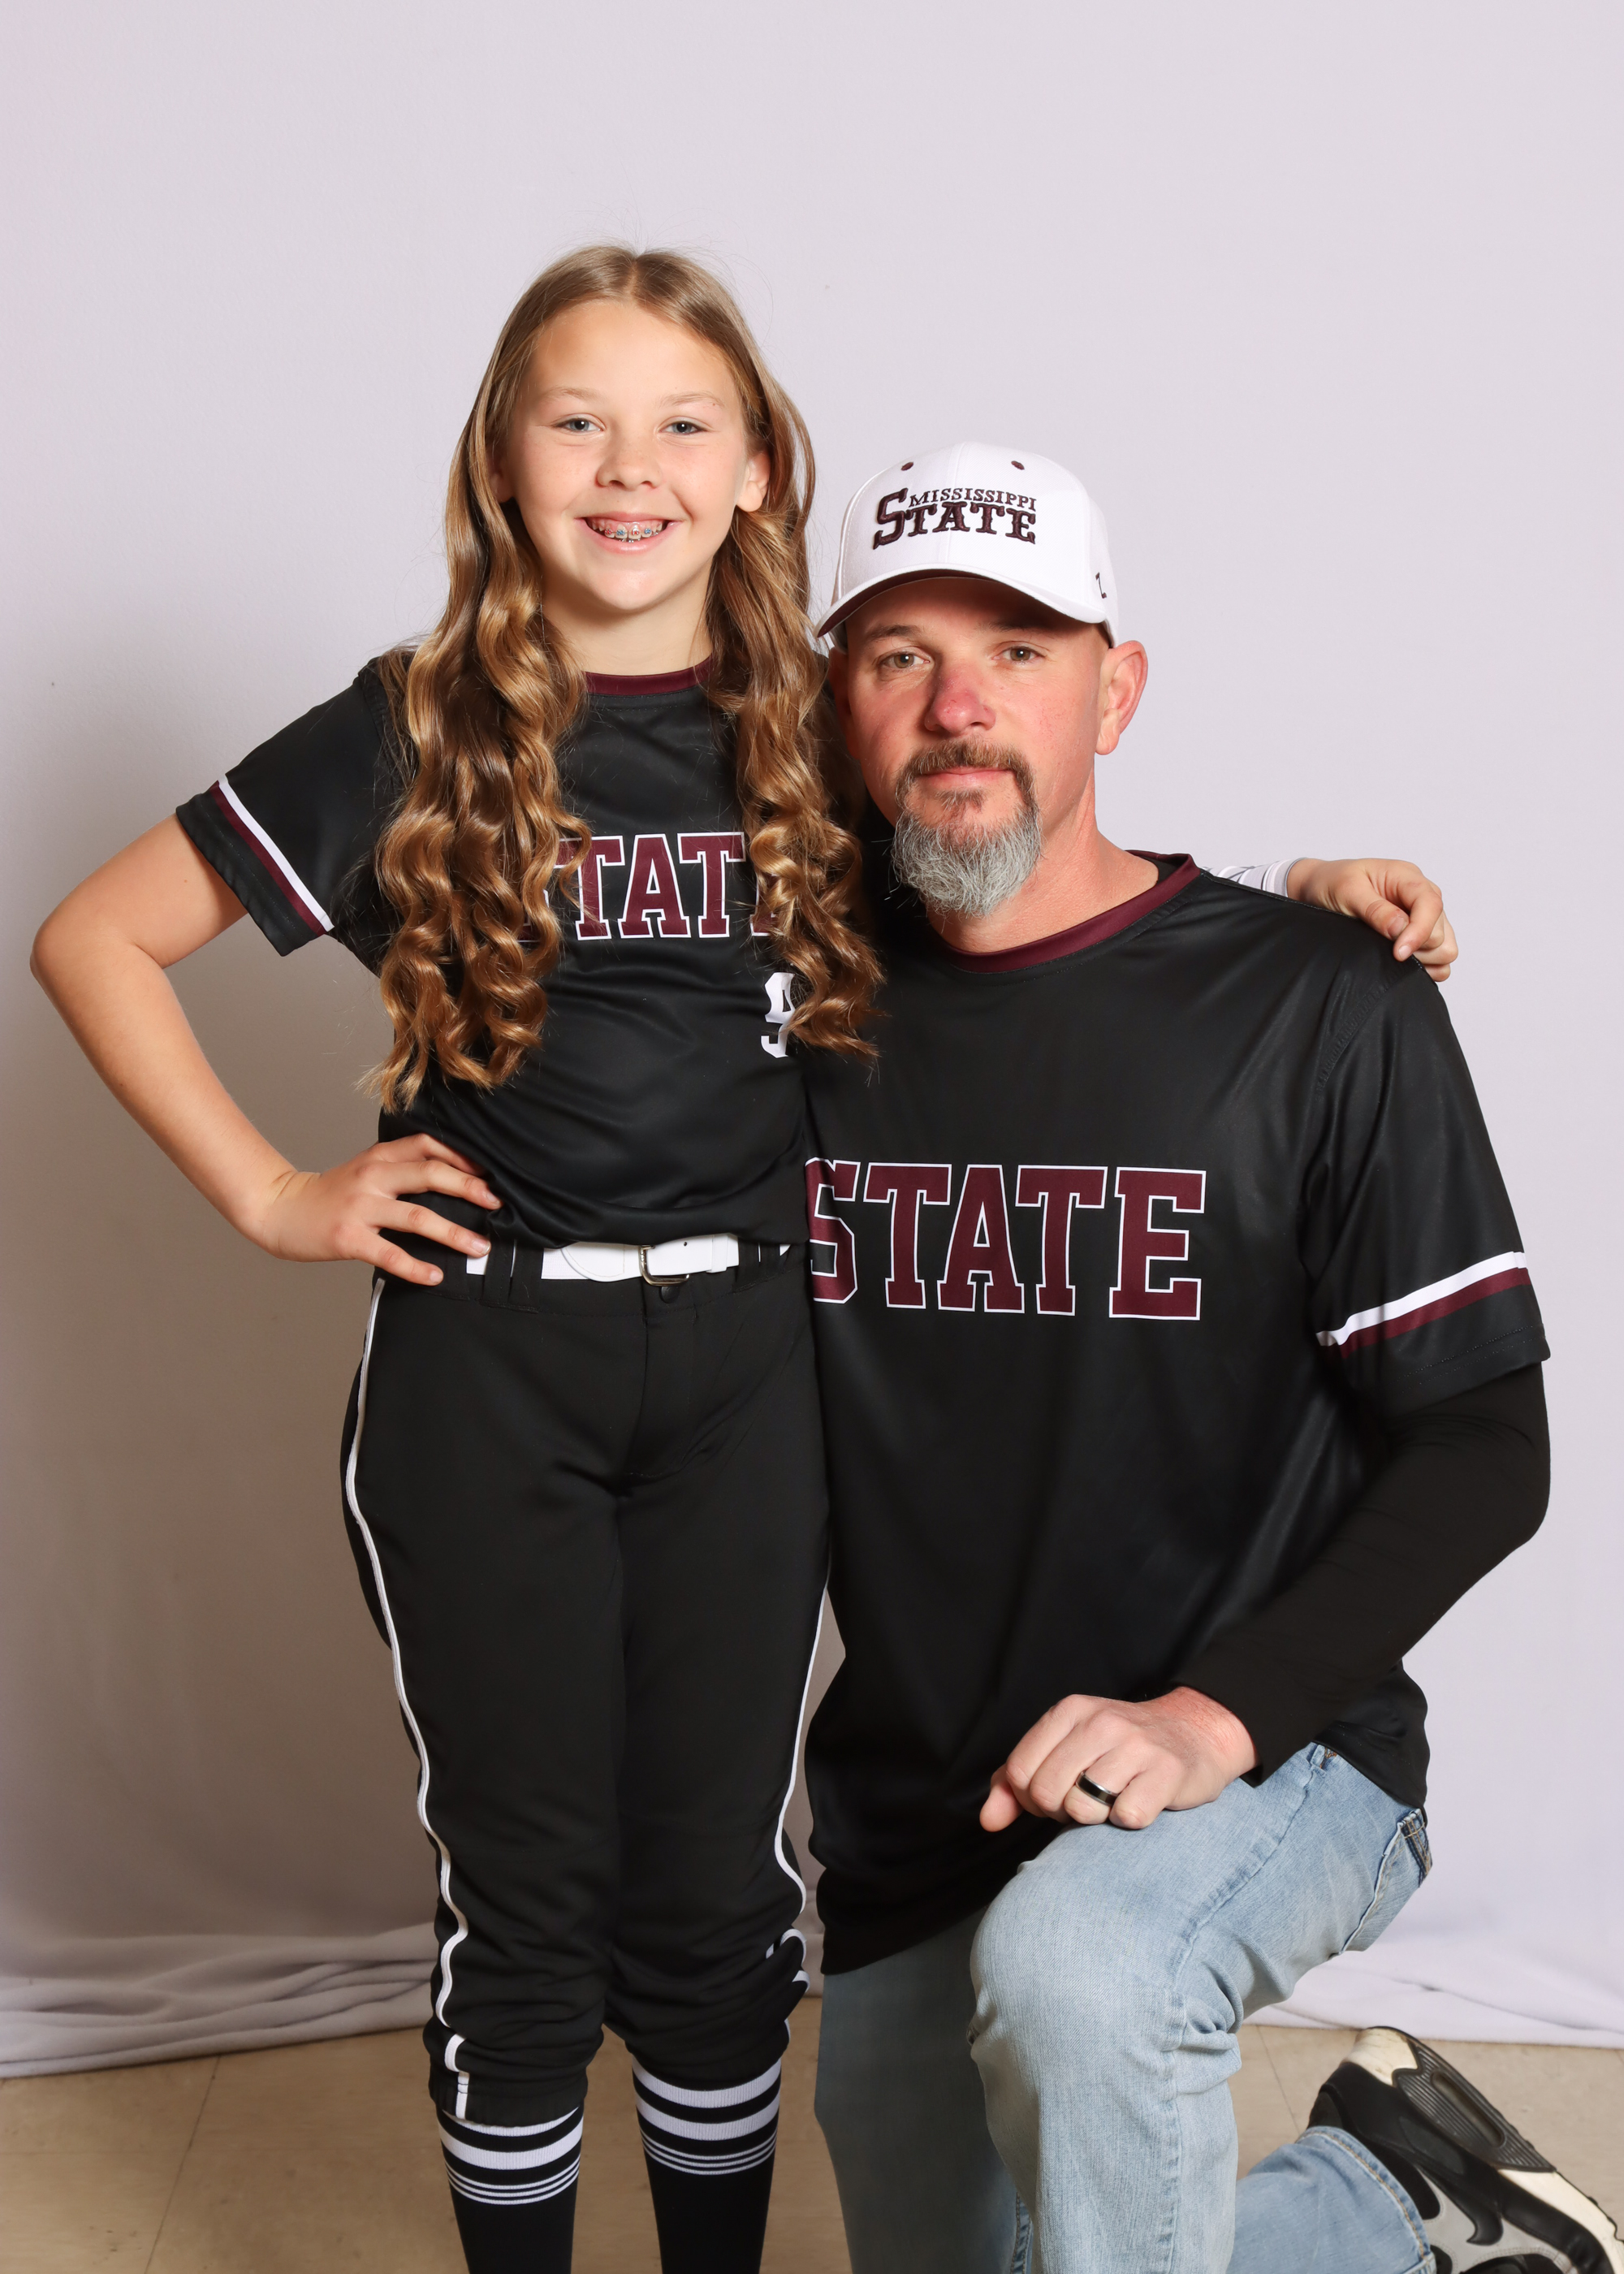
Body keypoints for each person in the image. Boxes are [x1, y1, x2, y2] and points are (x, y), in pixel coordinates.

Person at [31, 253, 1449, 2274]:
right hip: (491, 1371)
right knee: (529, 1905)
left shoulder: (807, 728)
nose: (632, 466)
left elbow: (1026, 851)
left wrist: (1295, 896)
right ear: (500, 464)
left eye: (683, 422)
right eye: (577, 421)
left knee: (713, 1899)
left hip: (745, 1370)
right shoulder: (413, 724)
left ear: (762, 465)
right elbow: (93, 934)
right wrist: (274, 1192)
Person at [801, 443, 1621, 2274]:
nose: (957, 703)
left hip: (1277, 1750)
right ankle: (1389, 2191)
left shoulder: (1321, 1002)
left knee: (1084, 1977)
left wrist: (1207, 1717)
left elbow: (1489, 1445)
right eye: (898, 655)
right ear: (835, 705)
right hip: (929, 1796)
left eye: (1019, 649)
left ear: (1118, 690)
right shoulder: (800, 1015)